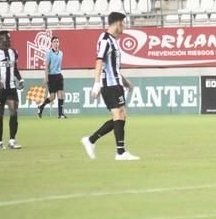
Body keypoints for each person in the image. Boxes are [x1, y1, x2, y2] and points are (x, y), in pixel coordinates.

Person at [81, 12, 139, 160]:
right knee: (118, 115)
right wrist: (96, 83)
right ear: (117, 23)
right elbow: (99, 61)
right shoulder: (105, 39)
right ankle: (120, 152)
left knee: (121, 116)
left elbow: (112, 66)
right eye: (123, 23)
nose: (124, 27)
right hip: (109, 84)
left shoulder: (113, 40)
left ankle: (91, 140)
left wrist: (125, 82)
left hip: (117, 83)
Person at [0, 30, 24, 150]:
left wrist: (20, 79)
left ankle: (12, 141)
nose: (9, 41)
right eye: (7, 39)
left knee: (14, 112)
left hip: (11, 88)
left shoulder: (13, 52)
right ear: (0, 40)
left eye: (10, 38)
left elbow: (15, 69)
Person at [37, 36, 67, 119]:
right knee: (52, 97)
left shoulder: (61, 53)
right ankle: (41, 106)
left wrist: (60, 73)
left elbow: (59, 65)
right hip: (51, 76)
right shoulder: (49, 53)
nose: (56, 43)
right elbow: (46, 65)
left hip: (58, 75)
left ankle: (60, 114)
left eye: (57, 41)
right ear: (51, 43)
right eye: (54, 41)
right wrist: (46, 77)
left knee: (61, 94)